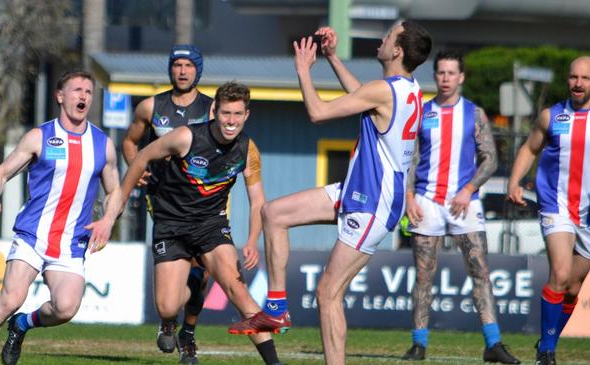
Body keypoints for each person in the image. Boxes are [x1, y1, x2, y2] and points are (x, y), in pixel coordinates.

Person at [229, 21, 432, 364]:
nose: (381, 41)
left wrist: (303, 71)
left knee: (328, 293)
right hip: (359, 190)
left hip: (374, 202)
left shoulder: (385, 90)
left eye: (388, 36)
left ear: (397, 51)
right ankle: (276, 308)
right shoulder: (406, 88)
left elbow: (318, 112)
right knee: (273, 213)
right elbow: (363, 98)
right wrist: (334, 58)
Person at [0, 71, 121, 365]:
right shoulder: (40, 136)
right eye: (76, 90)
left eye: (88, 91)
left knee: (65, 308)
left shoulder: (103, 145)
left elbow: (115, 191)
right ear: (60, 96)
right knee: (9, 300)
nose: (83, 96)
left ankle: (22, 325)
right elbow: (1, 172)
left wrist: (108, 219)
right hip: (33, 236)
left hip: (71, 243)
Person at [120, 81, 283, 365]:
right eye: (225, 114)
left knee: (239, 291)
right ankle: (171, 319)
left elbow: (258, 201)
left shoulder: (248, 149)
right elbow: (143, 155)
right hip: (171, 223)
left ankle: (274, 362)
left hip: (211, 226)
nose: (231, 121)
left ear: (247, 115)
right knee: (167, 305)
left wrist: (252, 240)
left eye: (237, 114)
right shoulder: (185, 137)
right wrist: (117, 204)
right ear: (214, 112)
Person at [401, 50, 519, 364]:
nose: (445, 78)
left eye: (451, 73)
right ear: (435, 75)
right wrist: (409, 197)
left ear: (461, 77)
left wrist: (468, 189)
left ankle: (493, 344)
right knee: (423, 277)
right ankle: (418, 344)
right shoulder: (423, 113)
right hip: (427, 201)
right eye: (440, 72)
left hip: (465, 205)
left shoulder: (475, 114)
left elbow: (490, 159)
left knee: (480, 273)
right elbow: (410, 159)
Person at [507, 56, 590, 365]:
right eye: (572, 77)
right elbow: (529, 148)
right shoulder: (551, 116)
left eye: (584, 78)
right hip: (555, 204)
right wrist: (515, 181)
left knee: (573, 287)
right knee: (561, 273)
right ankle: (547, 353)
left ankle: (547, 340)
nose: (577, 83)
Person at [122, 44, 215, 363]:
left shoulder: (212, 108)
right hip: (163, 202)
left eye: (189, 65)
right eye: (177, 65)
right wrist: (137, 168)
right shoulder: (151, 106)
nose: (183, 71)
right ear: (170, 70)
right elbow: (130, 141)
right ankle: (167, 318)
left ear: (197, 71)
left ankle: (187, 336)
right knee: (169, 297)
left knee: (200, 274)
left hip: (204, 203)